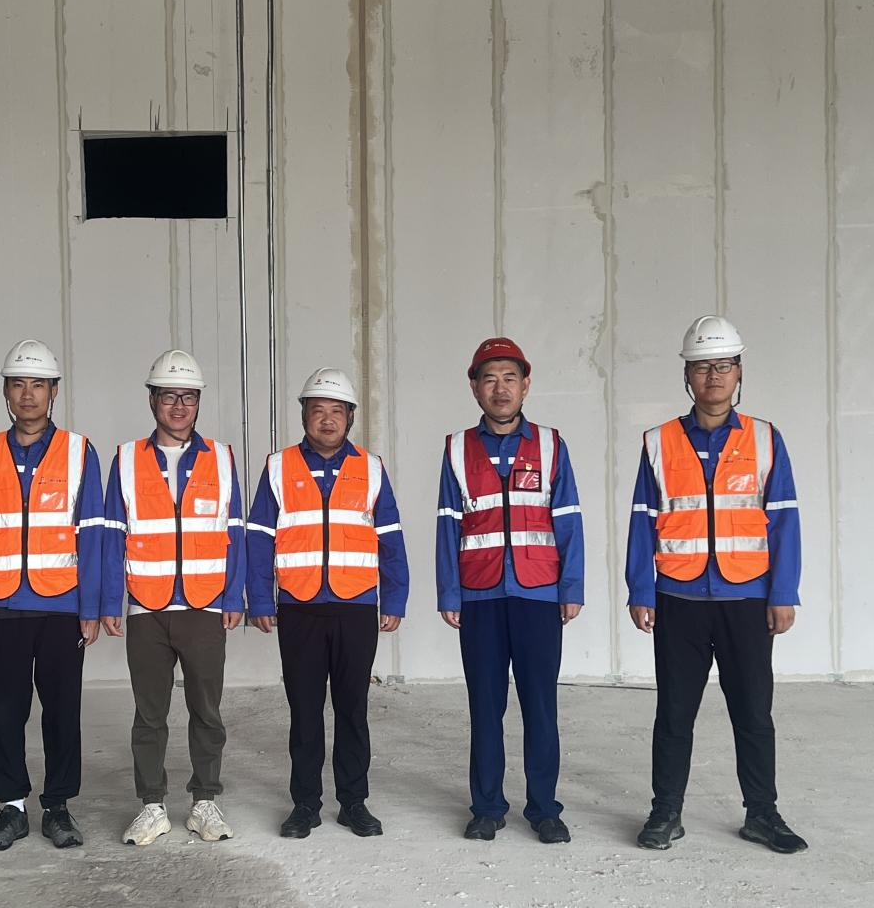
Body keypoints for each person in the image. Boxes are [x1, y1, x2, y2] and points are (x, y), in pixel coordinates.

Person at [625, 315, 807, 854]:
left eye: (723, 366)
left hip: (746, 597)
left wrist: (783, 593)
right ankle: (666, 812)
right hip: (677, 598)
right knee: (674, 713)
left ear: (739, 371)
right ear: (687, 375)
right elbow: (641, 520)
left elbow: (784, 519)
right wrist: (640, 589)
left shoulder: (765, 439)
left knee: (753, 713)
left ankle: (762, 814)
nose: (713, 376)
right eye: (702, 366)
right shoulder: (659, 442)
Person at [246, 367, 409, 839]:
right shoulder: (279, 467)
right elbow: (259, 536)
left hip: (356, 605)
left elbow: (390, 537)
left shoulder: (371, 468)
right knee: (304, 709)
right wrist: (261, 598)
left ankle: (354, 802)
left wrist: (394, 596)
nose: (327, 420)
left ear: (351, 416)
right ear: (304, 415)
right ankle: (305, 805)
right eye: (318, 410)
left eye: (337, 411)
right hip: (299, 605)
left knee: (353, 708)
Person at [436, 338, 584, 844]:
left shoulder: (551, 445)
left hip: (538, 593)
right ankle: (487, 807)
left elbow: (568, 519)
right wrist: (449, 593)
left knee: (541, 706)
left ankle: (544, 809)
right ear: (474, 387)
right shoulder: (457, 449)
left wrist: (571, 586)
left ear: (526, 384)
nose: (500, 389)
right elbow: (447, 524)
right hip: (479, 595)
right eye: (489, 379)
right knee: (485, 706)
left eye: (509, 378)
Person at [0, 340, 105, 851]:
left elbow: (93, 533)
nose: (28, 394)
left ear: (54, 392)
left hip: (62, 606)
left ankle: (58, 806)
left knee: (62, 711)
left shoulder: (79, 452)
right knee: (5, 712)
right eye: (18, 384)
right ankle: (12, 807)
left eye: (38, 385)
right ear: (5, 391)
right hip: (1, 605)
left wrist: (91, 607)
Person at [101, 350, 245, 846]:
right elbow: (111, 535)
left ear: (198, 401)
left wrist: (234, 595)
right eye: (169, 396)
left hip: (205, 606)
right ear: (152, 400)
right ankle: (152, 805)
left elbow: (235, 531)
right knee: (149, 714)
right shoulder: (126, 460)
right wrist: (110, 602)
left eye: (188, 397)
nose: (179, 406)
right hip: (147, 606)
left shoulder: (221, 458)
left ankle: (205, 801)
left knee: (207, 710)